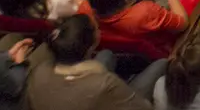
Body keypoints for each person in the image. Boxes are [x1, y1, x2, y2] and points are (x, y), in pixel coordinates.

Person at [25, 13, 165, 110]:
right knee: (162, 63)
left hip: (74, 97)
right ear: (92, 44)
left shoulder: (39, 71)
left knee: (106, 55)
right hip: (102, 95)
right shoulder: (105, 84)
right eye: (97, 28)